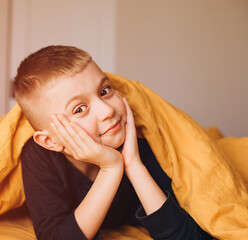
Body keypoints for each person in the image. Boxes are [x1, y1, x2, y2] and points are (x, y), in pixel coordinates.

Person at [13, 45, 213, 240]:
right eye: (79, 109)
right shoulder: (39, 157)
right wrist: (111, 168)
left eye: (104, 91)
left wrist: (134, 165)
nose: (107, 111)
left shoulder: (142, 140)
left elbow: (188, 234)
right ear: (50, 141)